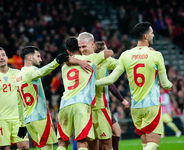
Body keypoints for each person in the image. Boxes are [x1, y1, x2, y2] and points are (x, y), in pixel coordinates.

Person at [96, 22, 173, 150]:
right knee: (153, 144)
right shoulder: (156, 55)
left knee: (145, 145)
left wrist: (93, 82)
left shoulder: (126, 55)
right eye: (152, 33)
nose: (153, 35)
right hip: (152, 105)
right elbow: (165, 83)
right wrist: (170, 86)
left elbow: (111, 78)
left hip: (136, 107)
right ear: (146, 36)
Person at [15, 46, 92, 150]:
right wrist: (56, 61)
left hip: (29, 120)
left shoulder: (18, 77)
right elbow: (41, 72)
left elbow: (20, 103)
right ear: (29, 57)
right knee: (47, 148)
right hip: (40, 117)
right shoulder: (30, 71)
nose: (40, 59)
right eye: (38, 56)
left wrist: (22, 124)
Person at [57, 37, 113, 150]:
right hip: (81, 105)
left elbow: (61, 58)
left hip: (64, 104)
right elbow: (109, 52)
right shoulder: (91, 59)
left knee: (62, 144)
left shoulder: (64, 66)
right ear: (79, 48)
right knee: (82, 143)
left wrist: (75, 60)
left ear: (68, 52)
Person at [77, 32, 129, 150]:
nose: (81, 50)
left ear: (92, 44)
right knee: (91, 146)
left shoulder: (105, 60)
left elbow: (122, 64)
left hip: (101, 108)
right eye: (79, 47)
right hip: (85, 109)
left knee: (106, 145)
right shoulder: (77, 61)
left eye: (84, 46)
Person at [0, 47, 29, 150]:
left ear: (7, 58)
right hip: (1, 119)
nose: (1, 58)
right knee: (5, 148)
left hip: (18, 118)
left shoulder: (18, 73)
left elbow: (25, 93)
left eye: (3, 55)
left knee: (24, 146)